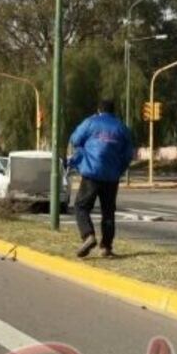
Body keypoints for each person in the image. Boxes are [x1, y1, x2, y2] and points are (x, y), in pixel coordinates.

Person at [68, 99, 135, 259]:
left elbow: (75, 139)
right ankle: (106, 247)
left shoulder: (91, 122)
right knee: (108, 212)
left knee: (81, 206)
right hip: (111, 176)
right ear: (114, 111)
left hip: (91, 172)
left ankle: (88, 235)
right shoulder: (122, 127)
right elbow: (128, 154)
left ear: (99, 110)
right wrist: (118, 170)